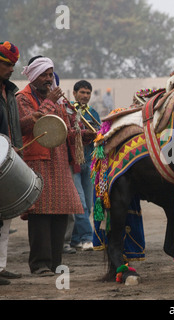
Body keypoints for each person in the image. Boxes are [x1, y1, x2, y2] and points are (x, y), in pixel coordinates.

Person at [16, 56, 83, 276]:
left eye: (50, 74)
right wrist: (49, 103)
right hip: (37, 160)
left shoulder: (60, 101)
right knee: (40, 213)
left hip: (60, 161)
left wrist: (82, 136)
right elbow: (24, 125)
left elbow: (62, 130)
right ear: (34, 76)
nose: (48, 79)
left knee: (61, 211)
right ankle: (40, 265)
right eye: (44, 74)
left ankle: (56, 263)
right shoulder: (22, 98)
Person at [64, 80, 100, 253]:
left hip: (89, 163)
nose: (85, 96)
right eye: (82, 92)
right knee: (80, 204)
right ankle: (87, 237)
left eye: (88, 93)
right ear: (74, 93)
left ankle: (75, 240)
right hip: (73, 163)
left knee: (88, 204)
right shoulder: (68, 111)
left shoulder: (93, 113)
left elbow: (100, 135)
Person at [0, 41, 23, 285]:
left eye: (13, 65)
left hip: (9, 158)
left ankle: (1, 266)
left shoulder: (11, 92)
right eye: (7, 64)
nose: (11, 69)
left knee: (5, 217)